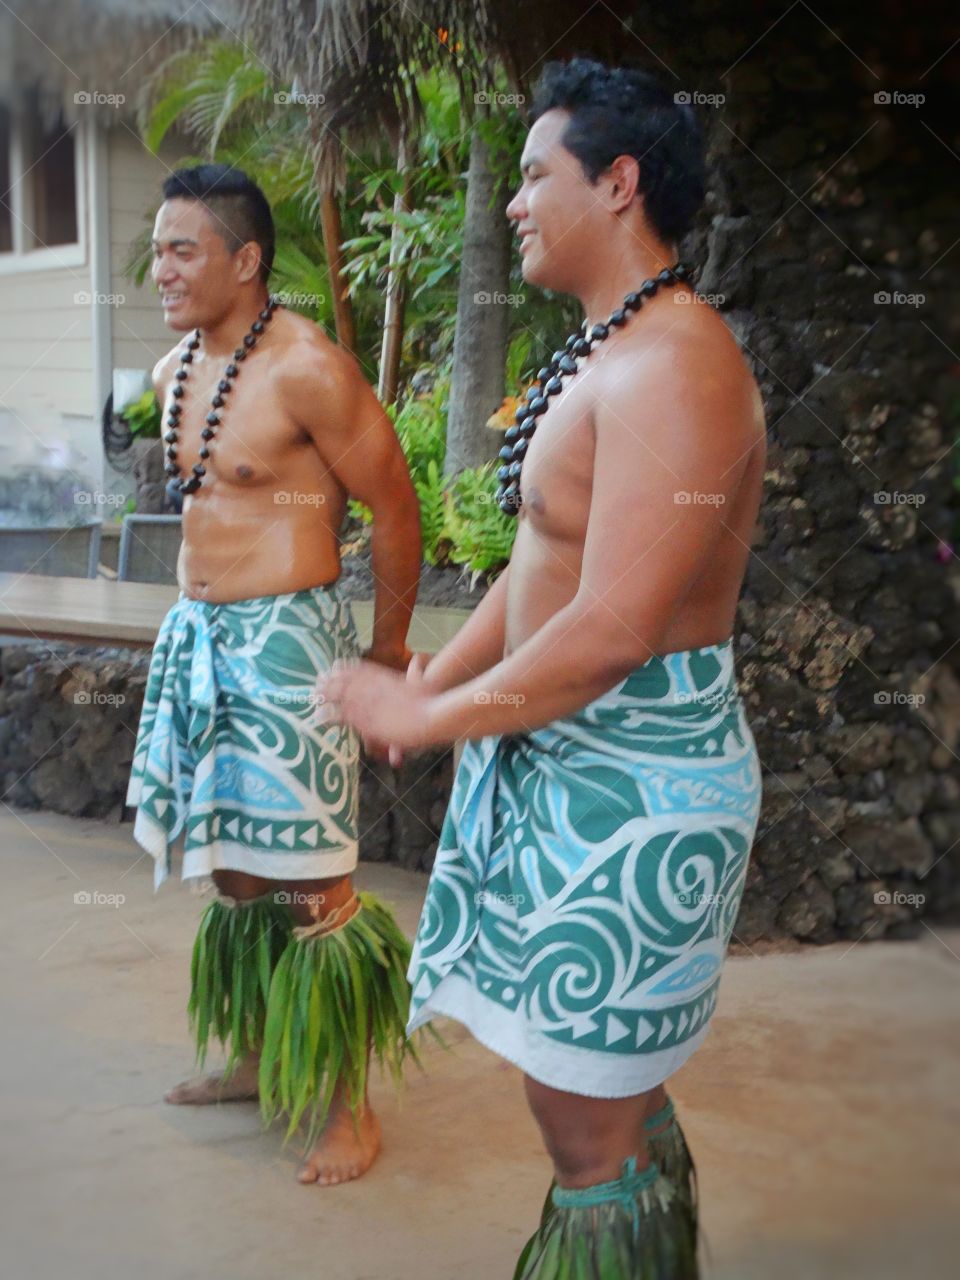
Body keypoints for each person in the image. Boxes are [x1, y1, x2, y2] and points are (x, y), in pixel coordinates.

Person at [319, 59, 766, 1274]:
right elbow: (540, 565)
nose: (514, 202)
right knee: (585, 1098)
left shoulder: (678, 363)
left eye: (533, 174)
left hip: (639, 792)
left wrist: (444, 709)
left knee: (580, 1121)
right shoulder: (604, 350)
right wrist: (428, 690)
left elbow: (614, 626)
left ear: (618, 184)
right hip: (578, 777)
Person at [125, 163, 422, 1187]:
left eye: (182, 249)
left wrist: (387, 654)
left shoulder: (309, 368)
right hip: (199, 637)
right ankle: (258, 1058)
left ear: (245, 260)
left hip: (290, 638)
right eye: (157, 247)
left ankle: (349, 1104)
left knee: (311, 878)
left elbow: (394, 503)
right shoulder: (173, 374)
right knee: (236, 869)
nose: (159, 268)